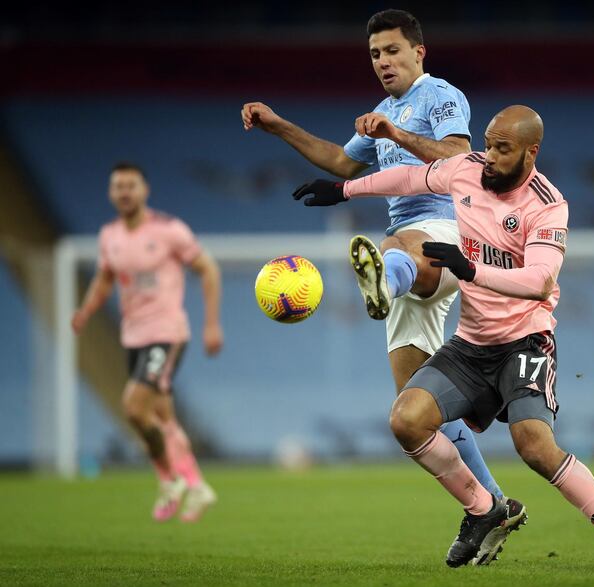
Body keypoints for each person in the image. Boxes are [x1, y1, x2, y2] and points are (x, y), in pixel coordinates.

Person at [292, 105, 594, 571]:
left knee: (535, 447)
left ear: (531, 152)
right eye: (488, 144)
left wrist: (469, 269)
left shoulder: (547, 204)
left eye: (503, 149)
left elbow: (540, 281)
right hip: (471, 343)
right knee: (407, 419)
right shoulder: (466, 170)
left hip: (525, 342)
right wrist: (345, 189)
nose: (490, 157)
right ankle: (483, 508)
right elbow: (408, 180)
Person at [241, 8, 525, 560]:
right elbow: (341, 164)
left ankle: (386, 278)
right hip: (408, 243)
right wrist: (279, 126)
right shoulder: (382, 113)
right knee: (414, 414)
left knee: (397, 246)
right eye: (375, 54)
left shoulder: (440, 96)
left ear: (419, 51)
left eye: (393, 50)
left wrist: (396, 133)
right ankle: (489, 506)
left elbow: (461, 158)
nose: (383, 62)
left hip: (453, 232)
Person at [72, 162, 222, 523]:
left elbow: (208, 269)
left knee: (134, 408)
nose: (124, 192)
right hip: (133, 335)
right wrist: (86, 310)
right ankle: (197, 487)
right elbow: (106, 279)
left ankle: (168, 479)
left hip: (167, 333)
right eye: (118, 186)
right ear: (111, 193)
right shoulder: (110, 236)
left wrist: (212, 325)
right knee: (161, 418)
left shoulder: (169, 230)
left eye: (131, 185)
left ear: (144, 190)